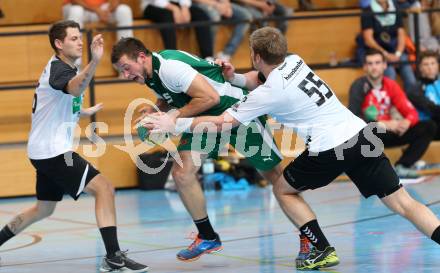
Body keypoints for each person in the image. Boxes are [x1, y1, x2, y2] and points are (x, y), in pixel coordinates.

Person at [144, 26, 440, 270]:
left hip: (330, 148)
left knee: (283, 189)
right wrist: (233, 77)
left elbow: (222, 122)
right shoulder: (295, 61)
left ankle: (321, 249)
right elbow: (254, 78)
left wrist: (175, 124)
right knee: (402, 202)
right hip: (361, 135)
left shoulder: (270, 93)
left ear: (256, 55)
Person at [110, 37, 314, 263]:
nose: (126, 75)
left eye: (126, 68)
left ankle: (309, 236)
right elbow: (172, 95)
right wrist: (156, 108)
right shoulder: (149, 74)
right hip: (204, 118)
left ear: (141, 57)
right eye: (121, 71)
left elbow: (210, 97)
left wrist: (170, 117)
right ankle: (207, 236)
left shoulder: (169, 67)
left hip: (236, 111)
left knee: (276, 177)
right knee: (181, 173)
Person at [0, 20, 148, 273]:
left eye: (80, 37)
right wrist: (96, 61)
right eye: (73, 38)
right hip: (54, 152)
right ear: (59, 44)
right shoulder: (59, 68)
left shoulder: (64, 67)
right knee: (105, 189)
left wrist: (81, 110)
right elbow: (76, 86)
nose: (80, 42)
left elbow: (56, 102)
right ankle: (113, 256)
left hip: (42, 151)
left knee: (43, 208)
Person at [348, 49, 436, 178]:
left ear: (384, 65)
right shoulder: (359, 86)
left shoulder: (391, 85)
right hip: (371, 134)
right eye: (370, 63)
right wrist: (383, 123)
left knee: (429, 126)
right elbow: (353, 119)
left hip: (390, 132)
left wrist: (406, 122)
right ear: (365, 67)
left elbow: (411, 112)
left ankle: (403, 166)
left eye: (377, 63)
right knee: (366, 130)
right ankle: (365, 169)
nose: (374, 67)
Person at [360, 0, 416, 92]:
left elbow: (401, 33)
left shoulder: (395, 7)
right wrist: (385, 54)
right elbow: (368, 40)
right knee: (390, 75)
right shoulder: (367, 11)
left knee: (409, 75)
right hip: (378, 53)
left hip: (397, 51)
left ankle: (411, 103)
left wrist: (397, 54)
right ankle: (388, 102)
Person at [141, 0, 215, 59]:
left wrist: (184, 7)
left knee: (201, 15)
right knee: (167, 17)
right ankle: (173, 58)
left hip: (178, 4)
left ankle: (208, 57)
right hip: (153, 5)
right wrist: (175, 9)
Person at [63, 0, 134, 41]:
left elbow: (115, 1)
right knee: (76, 10)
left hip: (100, 9)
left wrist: (108, 10)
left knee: (124, 10)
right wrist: (96, 10)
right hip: (76, 6)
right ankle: (73, 64)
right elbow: (74, 1)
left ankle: (126, 58)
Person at [408, 50, 440, 139]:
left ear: (438, 65)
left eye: (433, 63)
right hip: (429, 126)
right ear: (420, 67)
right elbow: (431, 108)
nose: (430, 67)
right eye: (426, 64)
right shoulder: (415, 88)